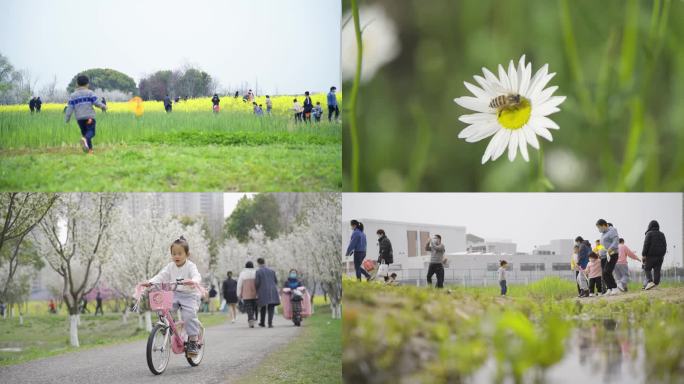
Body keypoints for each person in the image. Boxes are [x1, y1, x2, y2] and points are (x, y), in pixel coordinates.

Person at [144, 236, 202, 355]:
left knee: (189, 315)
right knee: (163, 308)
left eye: (180, 253)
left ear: (187, 254)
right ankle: (168, 327)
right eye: (174, 253)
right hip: (175, 293)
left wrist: (194, 281)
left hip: (189, 295)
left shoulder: (190, 266)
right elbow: (161, 276)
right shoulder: (170, 267)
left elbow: (197, 275)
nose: (176, 256)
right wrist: (150, 282)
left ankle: (193, 340)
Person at [65, 75, 107, 155]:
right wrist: (104, 106)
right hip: (89, 117)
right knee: (91, 132)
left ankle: (90, 151)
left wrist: (67, 118)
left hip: (80, 119)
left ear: (77, 84)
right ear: (87, 84)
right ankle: (85, 141)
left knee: (85, 134)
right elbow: (96, 102)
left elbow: (69, 108)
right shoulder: (90, 93)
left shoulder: (73, 95)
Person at [255, 258, 280, 328]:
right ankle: (270, 323)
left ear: (258, 263)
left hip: (263, 291)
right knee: (271, 307)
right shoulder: (272, 271)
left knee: (263, 306)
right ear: (264, 262)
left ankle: (262, 323)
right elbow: (276, 281)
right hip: (272, 290)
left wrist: (256, 290)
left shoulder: (258, 272)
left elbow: (257, 283)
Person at [642, 220, 667, 290]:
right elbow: (665, 245)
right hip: (660, 257)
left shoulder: (649, 234)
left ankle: (650, 282)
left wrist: (643, 254)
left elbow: (646, 245)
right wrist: (662, 255)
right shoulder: (662, 234)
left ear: (650, 226)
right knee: (657, 270)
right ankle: (655, 284)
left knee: (647, 268)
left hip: (650, 256)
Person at [597, 219, 620, 295]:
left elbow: (616, 241)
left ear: (604, 225)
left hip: (612, 254)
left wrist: (610, 248)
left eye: (599, 227)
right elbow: (601, 245)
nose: (599, 229)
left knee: (607, 271)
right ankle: (609, 288)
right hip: (603, 256)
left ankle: (615, 288)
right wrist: (599, 253)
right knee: (604, 274)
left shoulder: (612, 230)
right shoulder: (603, 234)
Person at [237, 261, 258, 328]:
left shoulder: (243, 273)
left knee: (249, 307)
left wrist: (238, 294)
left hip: (246, 293)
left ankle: (250, 319)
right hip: (255, 293)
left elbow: (239, 285)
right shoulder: (256, 273)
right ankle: (252, 317)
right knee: (254, 307)